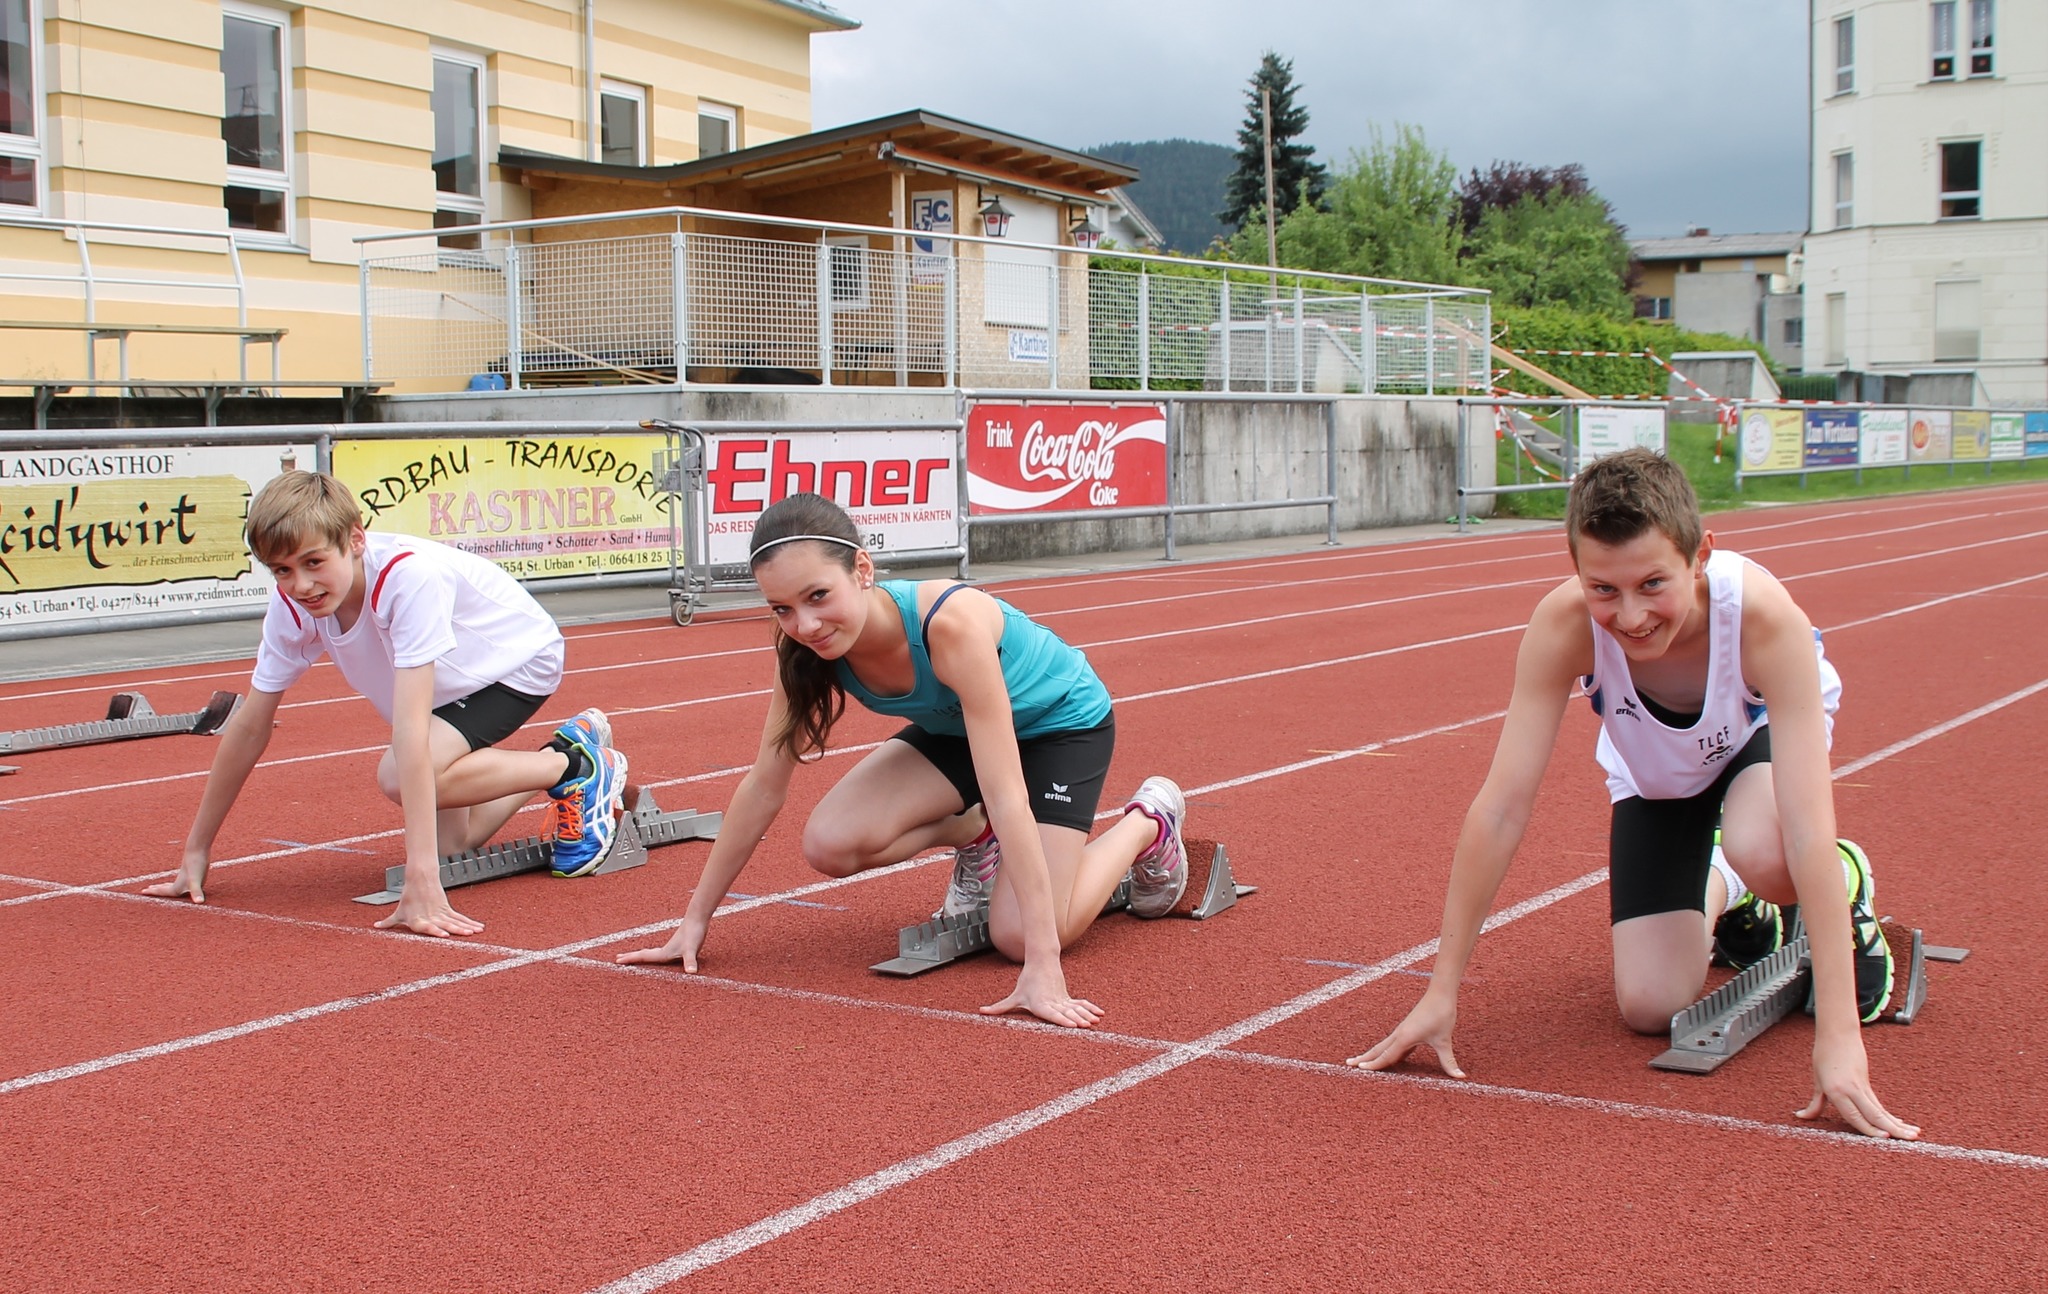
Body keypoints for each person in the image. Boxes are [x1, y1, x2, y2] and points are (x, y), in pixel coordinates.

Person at [1350, 448, 1918, 1139]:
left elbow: (1805, 828)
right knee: (1650, 1007)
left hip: (1754, 737)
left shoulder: (1764, 619)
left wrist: (1838, 1038)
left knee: (1770, 852)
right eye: (1604, 589)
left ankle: (1839, 875)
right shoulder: (1563, 626)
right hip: (1656, 770)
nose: (1631, 616)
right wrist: (1441, 991)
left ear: (1700, 555)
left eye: (1653, 584)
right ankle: (1731, 893)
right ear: (1577, 573)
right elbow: (1500, 808)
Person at [618, 491, 1187, 1027]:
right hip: (958, 730)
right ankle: (974, 832)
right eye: (782, 608)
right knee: (829, 844)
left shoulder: (950, 625)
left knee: (1019, 937)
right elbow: (764, 785)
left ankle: (1148, 823)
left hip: (1059, 727)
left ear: (862, 570)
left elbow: (1007, 791)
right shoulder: (803, 648)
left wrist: (1044, 965)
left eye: (818, 596)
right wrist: (694, 921)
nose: (806, 625)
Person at [144, 470, 628, 936]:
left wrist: (423, 878)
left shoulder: (407, 578)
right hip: (447, 686)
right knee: (454, 845)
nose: (301, 585)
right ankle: (559, 758)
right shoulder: (292, 606)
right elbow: (251, 726)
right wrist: (196, 851)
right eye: (282, 571)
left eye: (314, 563)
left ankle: (576, 768)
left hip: (513, 663)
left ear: (355, 540)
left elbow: (411, 729)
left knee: (398, 775)